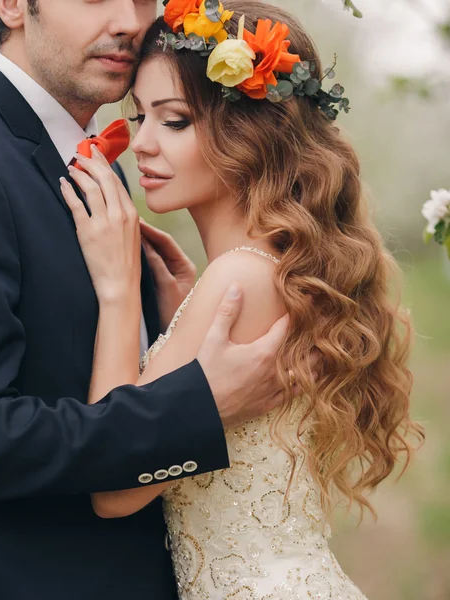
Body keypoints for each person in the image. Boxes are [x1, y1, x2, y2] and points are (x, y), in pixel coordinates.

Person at [0, 1, 302, 599]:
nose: (129, 20)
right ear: (14, 5)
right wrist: (197, 406)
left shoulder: (103, 168)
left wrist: (170, 330)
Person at [61, 1, 425, 598]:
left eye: (173, 120)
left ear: (250, 133)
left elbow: (113, 488)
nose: (142, 144)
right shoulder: (271, 270)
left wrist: (118, 289)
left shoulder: (240, 280)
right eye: (139, 116)